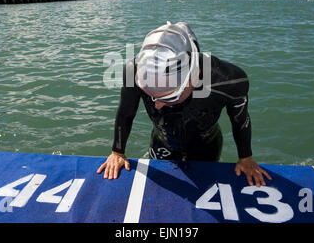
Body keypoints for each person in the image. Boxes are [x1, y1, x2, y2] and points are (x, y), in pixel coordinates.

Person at [97, 22, 271, 187]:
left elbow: (240, 120)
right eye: (151, 96)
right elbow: (125, 113)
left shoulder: (229, 81)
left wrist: (245, 157)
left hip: (206, 146)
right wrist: (117, 152)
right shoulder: (133, 71)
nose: (156, 106)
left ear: (195, 77)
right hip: (162, 143)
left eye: (169, 98)